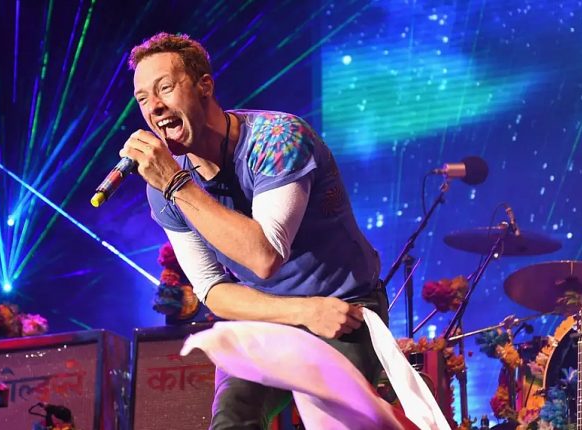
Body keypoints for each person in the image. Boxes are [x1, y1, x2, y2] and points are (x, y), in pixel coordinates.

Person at [121, 32, 387, 429]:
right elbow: (212, 290)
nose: (154, 106)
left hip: (343, 306)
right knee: (232, 420)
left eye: (165, 88)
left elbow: (264, 257)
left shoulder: (276, 139)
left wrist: (177, 184)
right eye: (143, 98)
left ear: (204, 86)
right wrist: (302, 311)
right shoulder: (164, 187)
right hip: (265, 314)